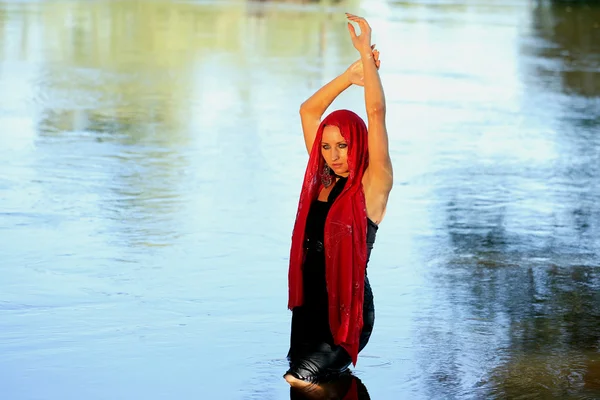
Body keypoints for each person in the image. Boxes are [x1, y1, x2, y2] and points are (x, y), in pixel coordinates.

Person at [284, 13, 393, 389]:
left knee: (299, 381)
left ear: (357, 144)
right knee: (309, 383)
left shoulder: (373, 186)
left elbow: (376, 116)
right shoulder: (323, 180)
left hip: (347, 312)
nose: (332, 154)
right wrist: (348, 77)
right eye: (327, 146)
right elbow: (308, 111)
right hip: (309, 308)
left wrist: (366, 56)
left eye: (342, 145)